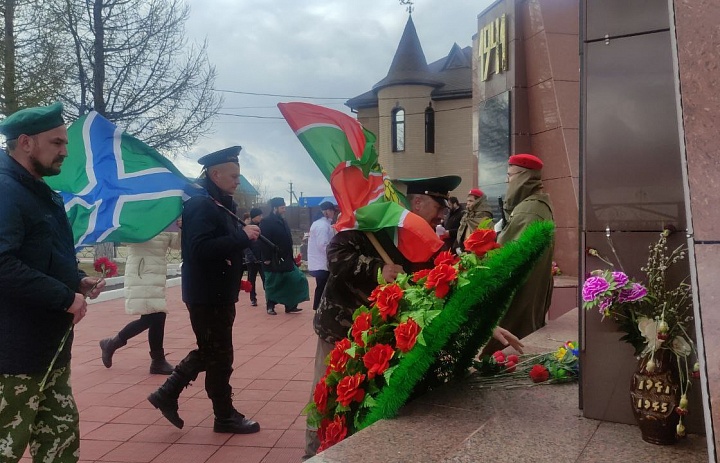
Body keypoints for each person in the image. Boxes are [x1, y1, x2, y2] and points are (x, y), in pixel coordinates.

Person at [303, 175, 523, 459]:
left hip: (382, 337)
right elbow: (335, 254)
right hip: (341, 328)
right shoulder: (376, 221)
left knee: (365, 401)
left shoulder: (426, 238)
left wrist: (486, 323)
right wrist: (377, 269)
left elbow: (447, 286)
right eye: (439, 205)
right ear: (417, 202)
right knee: (327, 396)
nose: (444, 213)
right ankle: (312, 455)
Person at [0, 102, 105, 462]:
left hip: (48, 348)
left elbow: (42, 254)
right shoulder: (6, 191)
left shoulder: (37, 190)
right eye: (57, 142)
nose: (65, 151)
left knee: (60, 444)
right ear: (26, 142)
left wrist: (76, 281)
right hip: (13, 355)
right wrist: (64, 297)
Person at [147, 146, 261, 434]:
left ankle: (169, 395)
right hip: (206, 294)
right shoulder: (201, 205)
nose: (238, 180)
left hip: (217, 292)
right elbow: (199, 249)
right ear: (215, 173)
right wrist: (241, 237)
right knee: (219, 356)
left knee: (213, 353)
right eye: (233, 175)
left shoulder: (217, 203)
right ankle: (222, 416)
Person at [482, 154, 554, 355]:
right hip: (530, 287)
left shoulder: (528, 210)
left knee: (506, 344)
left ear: (523, 176)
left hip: (519, 290)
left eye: (510, 175)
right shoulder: (537, 204)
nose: (508, 181)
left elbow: (505, 256)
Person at [98, 229, 181, 375]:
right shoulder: (138, 215)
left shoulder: (164, 220)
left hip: (156, 275)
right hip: (141, 274)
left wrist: (182, 229)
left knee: (156, 316)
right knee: (154, 316)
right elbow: (125, 237)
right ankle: (113, 344)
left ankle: (156, 360)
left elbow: (176, 244)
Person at [259, 197, 309, 315]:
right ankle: (270, 306)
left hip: (286, 258)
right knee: (273, 283)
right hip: (273, 258)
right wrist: (266, 258)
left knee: (296, 279)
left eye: (284, 207)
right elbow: (263, 240)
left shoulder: (283, 221)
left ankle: (290, 305)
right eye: (282, 208)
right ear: (275, 208)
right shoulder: (266, 222)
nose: (284, 210)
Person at [307, 201, 336, 310]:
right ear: (327, 211)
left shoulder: (322, 224)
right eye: (332, 211)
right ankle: (319, 308)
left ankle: (319, 307)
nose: (334, 213)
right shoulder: (322, 225)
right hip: (321, 263)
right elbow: (323, 245)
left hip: (320, 262)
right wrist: (334, 254)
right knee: (323, 286)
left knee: (322, 286)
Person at [244, 207, 265, 306]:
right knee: (252, 279)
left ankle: (269, 298)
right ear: (254, 216)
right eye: (259, 216)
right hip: (251, 259)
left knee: (265, 279)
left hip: (261, 258)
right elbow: (245, 246)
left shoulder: (263, 227)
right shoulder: (247, 228)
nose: (261, 217)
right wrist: (251, 257)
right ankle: (253, 298)